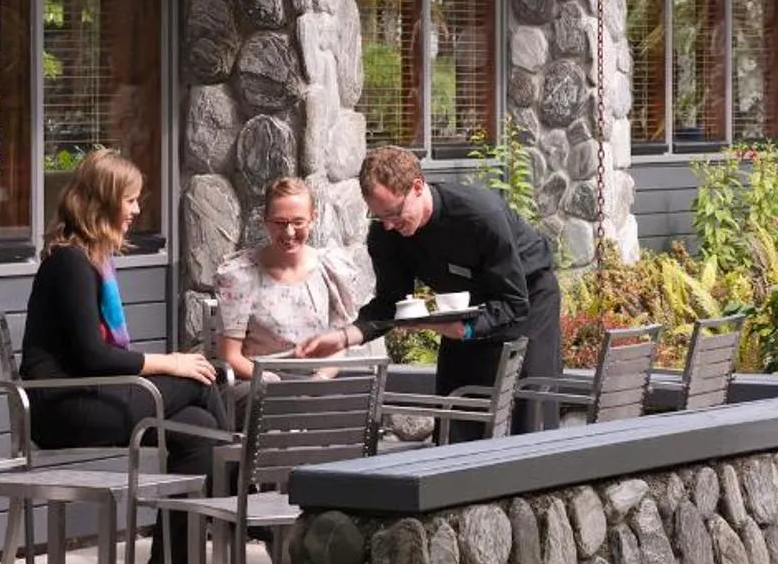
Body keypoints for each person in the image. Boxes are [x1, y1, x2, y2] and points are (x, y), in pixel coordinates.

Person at [18, 150, 221, 564]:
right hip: (62, 409)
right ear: (102, 202)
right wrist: (169, 361)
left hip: (92, 395)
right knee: (202, 385)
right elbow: (93, 357)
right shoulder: (70, 262)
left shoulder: (93, 260)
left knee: (198, 428)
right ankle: (244, 504)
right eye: (129, 200)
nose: (136, 210)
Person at [298, 146, 562, 433]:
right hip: (465, 305)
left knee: (527, 400)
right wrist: (344, 337)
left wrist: (469, 329)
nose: (388, 225)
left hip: (529, 298)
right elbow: (391, 302)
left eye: (395, 212)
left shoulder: (480, 216)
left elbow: (514, 301)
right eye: (377, 216)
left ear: (418, 187)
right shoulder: (387, 234)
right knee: (455, 403)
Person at [212, 177, 368, 381]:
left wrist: (320, 379)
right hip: (260, 381)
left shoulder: (329, 269)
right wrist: (269, 381)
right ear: (265, 220)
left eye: (298, 222)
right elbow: (230, 355)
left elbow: (338, 344)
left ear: (313, 218)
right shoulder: (241, 276)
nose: (289, 232)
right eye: (279, 223)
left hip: (318, 381)